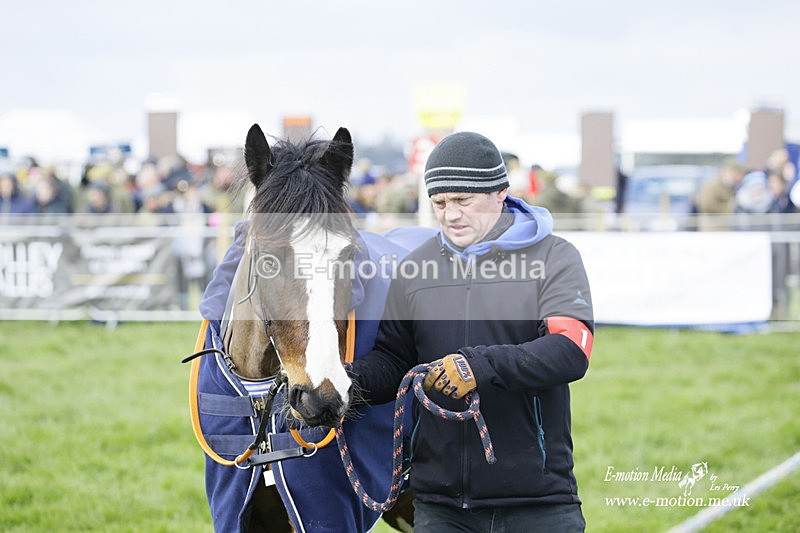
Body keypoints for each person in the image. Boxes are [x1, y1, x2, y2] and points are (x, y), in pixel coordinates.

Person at [348, 131, 593, 532]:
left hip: (539, 503)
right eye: (440, 203)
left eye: (463, 201)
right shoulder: (415, 269)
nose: (450, 215)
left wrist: (477, 367)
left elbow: (570, 350)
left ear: (500, 193)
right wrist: (345, 384)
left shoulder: (555, 257)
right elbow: (393, 360)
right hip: (440, 507)